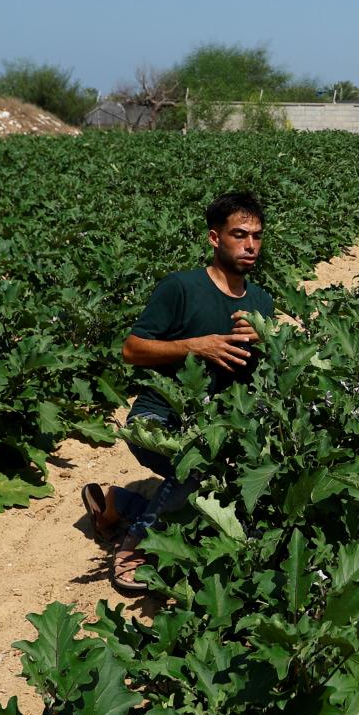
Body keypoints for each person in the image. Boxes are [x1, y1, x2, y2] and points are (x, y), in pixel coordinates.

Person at [82, 191, 275, 592]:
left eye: (257, 236)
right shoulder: (180, 288)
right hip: (159, 419)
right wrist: (195, 345)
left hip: (219, 427)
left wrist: (269, 340)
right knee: (197, 467)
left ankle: (119, 504)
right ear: (214, 238)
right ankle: (136, 543)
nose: (250, 245)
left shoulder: (261, 302)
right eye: (239, 234)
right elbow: (131, 349)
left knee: (233, 502)